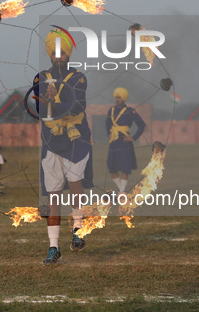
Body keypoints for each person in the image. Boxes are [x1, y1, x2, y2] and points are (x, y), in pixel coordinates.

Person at [32, 28, 94, 264]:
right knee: (53, 195)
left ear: (68, 54)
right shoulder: (40, 78)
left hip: (76, 138)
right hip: (51, 141)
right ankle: (53, 247)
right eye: (54, 53)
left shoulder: (79, 77)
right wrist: (45, 103)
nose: (58, 57)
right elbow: (40, 112)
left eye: (62, 53)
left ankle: (78, 230)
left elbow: (76, 106)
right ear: (50, 54)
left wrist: (53, 103)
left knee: (75, 183)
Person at [105, 87, 146, 193]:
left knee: (125, 167)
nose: (118, 99)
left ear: (124, 98)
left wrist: (134, 137)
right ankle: (121, 190)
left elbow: (141, 125)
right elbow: (107, 123)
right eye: (116, 97)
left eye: (120, 97)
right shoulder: (111, 110)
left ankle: (121, 191)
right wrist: (109, 133)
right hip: (114, 142)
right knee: (112, 167)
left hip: (124, 142)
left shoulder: (130, 111)